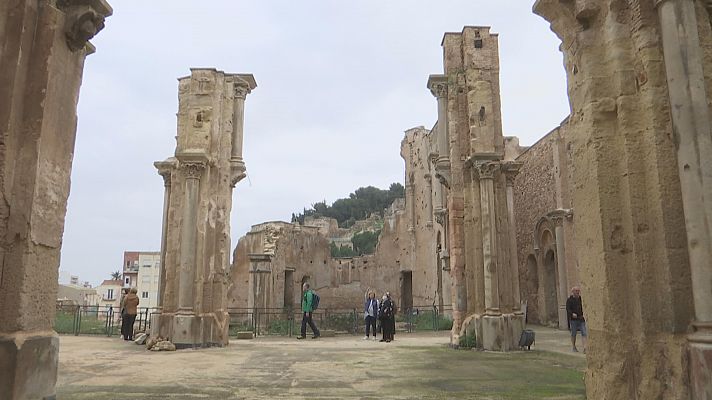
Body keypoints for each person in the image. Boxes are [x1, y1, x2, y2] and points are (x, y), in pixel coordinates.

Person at [566, 286, 587, 353]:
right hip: (573, 320)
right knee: (573, 334)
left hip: (581, 319)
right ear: (573, 292)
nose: (578, 292)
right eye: (576, 291)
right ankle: (574, 346)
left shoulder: (581, 299)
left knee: (584, 333)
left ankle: (585, 348)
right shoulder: (569, 300)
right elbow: (568, 309)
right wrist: (572, 314)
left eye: (578, 291)